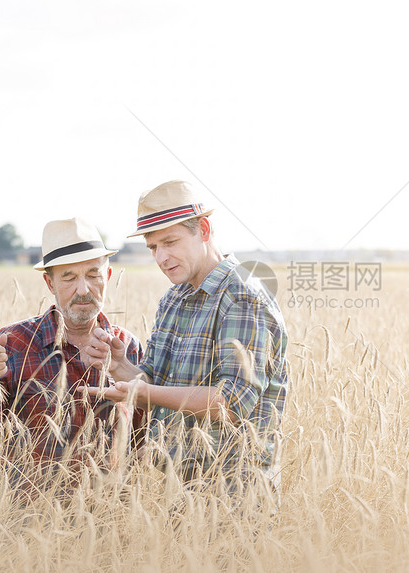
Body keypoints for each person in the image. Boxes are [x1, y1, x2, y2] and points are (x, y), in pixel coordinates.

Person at [80, 180, 288, 506]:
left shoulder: (243, 296)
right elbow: (154, 383)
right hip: (179, 488)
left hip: (237, 492)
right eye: (153, 248)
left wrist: (142, 392)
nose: (162, 257)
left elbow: (231, 403)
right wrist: (120, 366)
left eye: (170, 242)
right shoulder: (173, 298)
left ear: (203, 230)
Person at [0, 217, 143, 503]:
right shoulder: (13, 343)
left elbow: (143, 440)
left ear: (107, 276)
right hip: (20, 517)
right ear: (49, 282)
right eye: (68, 277)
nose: (83, 289)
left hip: (103, 516)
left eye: (93, 275)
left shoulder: (127, 346)